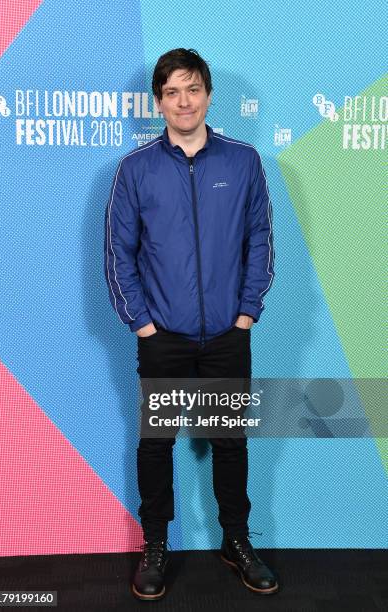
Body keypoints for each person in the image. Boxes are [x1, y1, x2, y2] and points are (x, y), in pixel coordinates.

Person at [104, 48, 278, 600]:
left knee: (230, 442)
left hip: (228, 336)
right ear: (159, 102)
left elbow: (260, 239)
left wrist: (247, 313)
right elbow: (117, 253)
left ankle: (236, 541)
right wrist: (143, 325)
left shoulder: (243, 161)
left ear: (207, 95)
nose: (184, 101)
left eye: (193, 89)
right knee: (156, 444)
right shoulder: (136, 170)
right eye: (172, 92)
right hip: (164, 340)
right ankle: (155, 544)